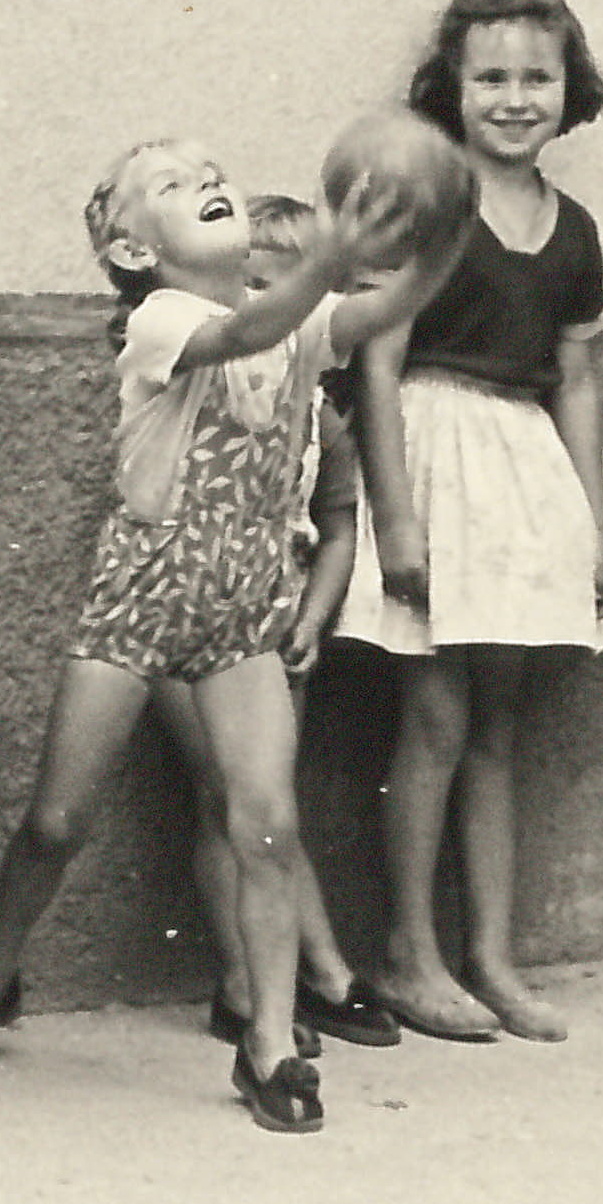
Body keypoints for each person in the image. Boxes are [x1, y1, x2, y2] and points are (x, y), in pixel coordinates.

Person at [0, 139, 467, 1132]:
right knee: (56, 822)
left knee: (268, 825)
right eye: (172, 185)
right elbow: (251, 327)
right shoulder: (161, 319)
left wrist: (448, 230)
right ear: (134, 251)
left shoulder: (299, 320)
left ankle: (270, 1044)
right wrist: (329, 262)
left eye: (212, 173)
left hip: (243, 610)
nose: (207, 182)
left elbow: (376, 313)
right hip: (141, 598)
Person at [338, 0, 603, 1044]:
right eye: (491, 78)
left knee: (497, 724)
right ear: (453, 87)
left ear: (570, 88)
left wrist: (591, 523)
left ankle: (489, 955)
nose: (515, 99)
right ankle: (408, 954)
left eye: (537, 77)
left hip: (523, 476)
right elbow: (376, 364)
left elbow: (573, 381)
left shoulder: (573, 231)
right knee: (433, 716)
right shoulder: (429, 208)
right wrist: (396, 518)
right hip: (436, 462)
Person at [147, 194, 397, 1057]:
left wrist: (313, 615)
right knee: (226, 794)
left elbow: (338, 525)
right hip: (186, 608)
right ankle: (255, 981)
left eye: (285, 293)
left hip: (274, 621)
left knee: (265, 807)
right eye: (249, 289)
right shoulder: (193, 381)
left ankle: (294, 977)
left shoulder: (321, 417)